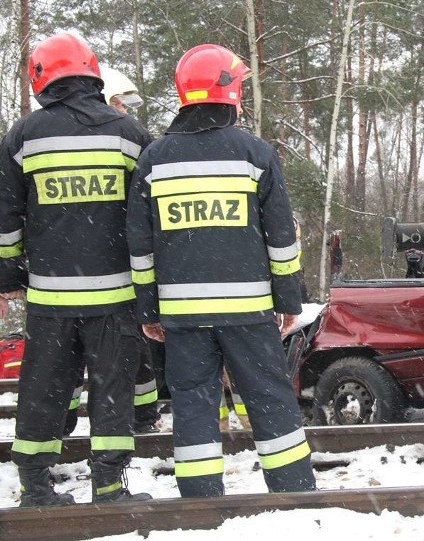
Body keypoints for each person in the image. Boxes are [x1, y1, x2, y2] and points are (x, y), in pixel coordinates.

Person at [126, 43, 316, 497]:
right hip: (249, 311)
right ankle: (294, 491)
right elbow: (281, 240)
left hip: (183, 315)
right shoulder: (254, 154)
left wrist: (148, 309)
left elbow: (140, 246)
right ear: (228, 92)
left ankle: (200, 498)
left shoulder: (155, 160)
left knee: (193, 401)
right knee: (269, 396)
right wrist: (289, 300)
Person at [0, 32, 153, 506]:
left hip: (49, 299)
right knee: (112, 391)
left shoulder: (23, 137)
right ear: (93, 72)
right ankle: (108, 486)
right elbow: (148, 217)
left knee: (43, 389)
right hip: (116, 297)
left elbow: (6, 218)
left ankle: (35, 487)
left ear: (41, 80)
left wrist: (9, 278)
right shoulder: (128, 134)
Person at [63, 66, 163, 437]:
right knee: (125, 355)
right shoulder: (124, 140)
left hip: (99, 276)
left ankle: (137, 417)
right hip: (117, 278)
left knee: (124, 357)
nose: (125, 112)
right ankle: (134, 419)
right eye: (121, 104)